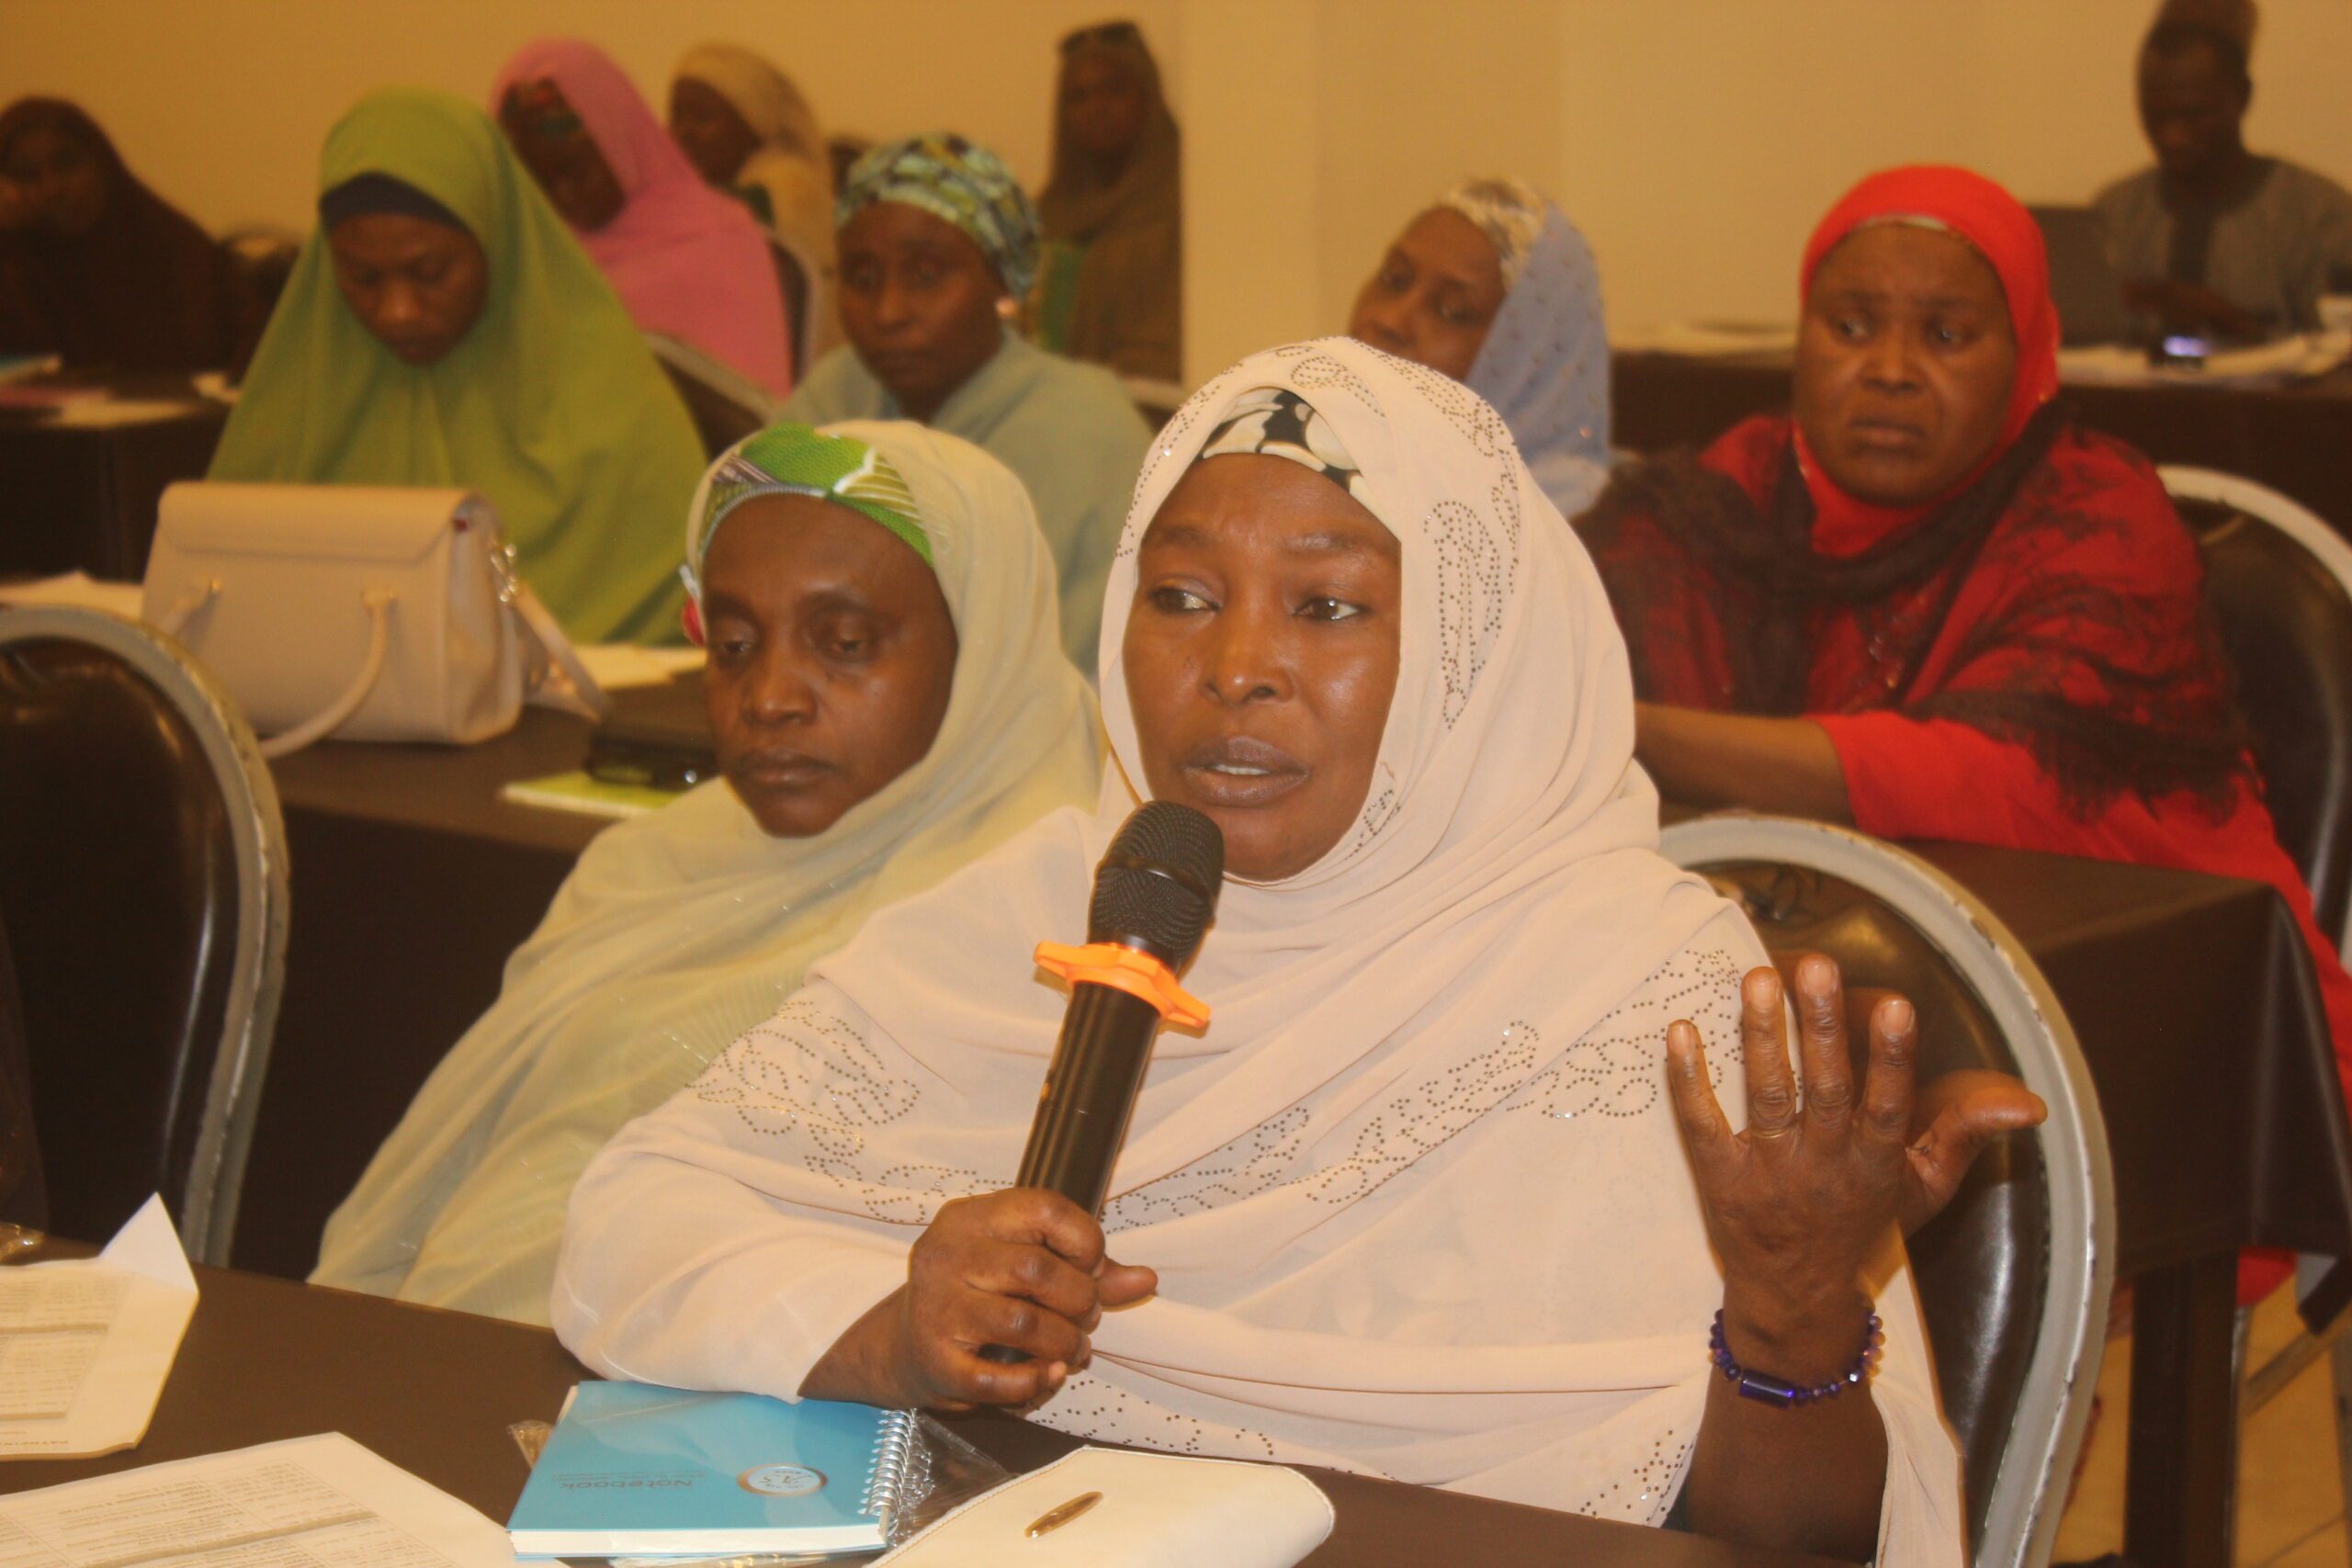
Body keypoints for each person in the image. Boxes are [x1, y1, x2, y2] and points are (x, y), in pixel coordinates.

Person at [554, 341, 2052, 1564]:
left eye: (1328, 606)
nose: (1235, 668)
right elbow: (632, 1220)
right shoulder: (1043, 901)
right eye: (1182, 597)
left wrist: (1790, 1317)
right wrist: (888, 1328)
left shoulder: (1641, 991)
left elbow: (1797, 1546)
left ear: (1469, 653)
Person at [1578, 164, 2352, 1301]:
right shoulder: (1719, 499)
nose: (1890, 370)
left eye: (1945, 335)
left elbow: (1966, 777)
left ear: (2026, 357)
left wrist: (1620, 724)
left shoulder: (2098, 517)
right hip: (1802, 982)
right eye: (1850, 327)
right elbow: (1557, 646)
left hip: (2146, 1029)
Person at [312, 419, 1101, 1323]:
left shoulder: (1044, 925)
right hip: (460, 1343)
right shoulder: (648, 868)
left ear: (983, 650)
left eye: (844, 643)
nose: (769, 697)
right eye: (733, 645)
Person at [209, 87, 701, 645]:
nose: (397, 311)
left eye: (430, 273)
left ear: (495, 244)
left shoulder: (614, 404)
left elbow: (682, 609)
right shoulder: (294, 404)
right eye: (363, 278)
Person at [784, 133, 1151, 671]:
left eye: (926, 276)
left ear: (1003, 283)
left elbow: (1068, 673)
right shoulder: (834, 398)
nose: (888, 311)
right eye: (863, 278)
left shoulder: (1084, 427)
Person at [494, 39, 792, 396]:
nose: (563, 198)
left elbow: (746, 411)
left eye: (575, 172)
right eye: (539, 184)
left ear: (620, 144)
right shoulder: (531, 257)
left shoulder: (719, 243)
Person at [1350, 176, 1611, 519]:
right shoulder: (1320, 461)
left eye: (1451, 311)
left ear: (1525, 364)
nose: (1390, 321)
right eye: (1394, 280)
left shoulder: (1563, 528)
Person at [2093, 0, 2352, 339]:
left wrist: (2229, 321)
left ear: (2242, 96)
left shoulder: (2319, 216)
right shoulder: (2115, 215)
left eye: (2193, 115)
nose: (2171, 136)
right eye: (2156, 114)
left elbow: (2339, 354)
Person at [0, 97, 251, 372]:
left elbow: (251, 352)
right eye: (26, 175)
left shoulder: (174, 250)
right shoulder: (16, 265)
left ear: (104, 166)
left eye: (66, 164)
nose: (51, 188)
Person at [668, 41, 841, 368]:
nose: (683, 133)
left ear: (752, 124)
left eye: (702, 118)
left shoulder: (783, 188)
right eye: (677, 116)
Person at [1030, 19, 1181, 383]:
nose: (1096, 108)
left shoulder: (1181, 207)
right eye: (1078, 96)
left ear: (1147, 97)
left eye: (1114, 90)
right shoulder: (1046, 217)